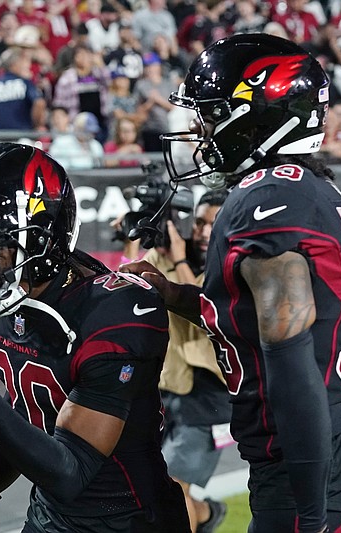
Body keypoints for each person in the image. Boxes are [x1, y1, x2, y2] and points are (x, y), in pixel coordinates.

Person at [122, 33, 341, 533]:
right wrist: (173, 294)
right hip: (324, 456)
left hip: (315, 469)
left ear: (260, 115)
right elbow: (247, 313)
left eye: (213, 113)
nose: (201, 129)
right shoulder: (296, 186)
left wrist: (309, 510)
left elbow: (293, 366)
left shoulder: (265, 198)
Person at [0, 142, 190, 532]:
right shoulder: (10, 298)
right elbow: (36, 413)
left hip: (126, 520)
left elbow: (72, 472)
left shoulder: (116, 312)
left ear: (41, 239)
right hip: (50, 515)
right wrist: (1, 459)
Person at [119, 189, 231, 533]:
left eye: (214, 223)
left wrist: (180, 260)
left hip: (209, 397)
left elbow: (203, 310)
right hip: (168, 392)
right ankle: (209, 514)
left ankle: (204, 514)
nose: (203, 231)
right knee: (153, 489)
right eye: (199, 222)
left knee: (173, 490)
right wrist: (135, 243)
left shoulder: (231, 262)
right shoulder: (175, 256)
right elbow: (129, 282)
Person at [0, 47, 47, 133]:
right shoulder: (23, 82)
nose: (28, 66)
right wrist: (37, 125)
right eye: (24, 61)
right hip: (22, 137)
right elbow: (39, 103)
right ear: (14, 64)